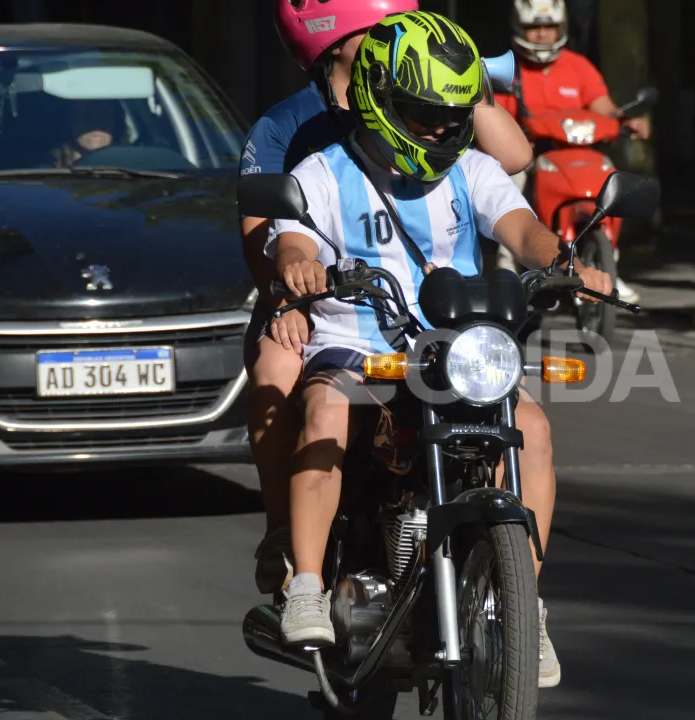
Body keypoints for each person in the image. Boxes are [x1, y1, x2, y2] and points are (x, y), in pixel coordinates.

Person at [265, 10, 611, 689]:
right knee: (325, 414)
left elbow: (523, 228)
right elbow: (292, 239)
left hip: (456, 351)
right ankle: (305, 583)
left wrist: (563, 262)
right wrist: (300, 264)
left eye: (450, 113)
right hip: (356, 348)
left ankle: (524, 607)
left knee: (532, 429)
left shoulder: (473, 170)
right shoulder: (321, 172)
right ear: (379, 98)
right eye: (422, 112)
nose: (437, 127)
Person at [241, 0, 534, 605]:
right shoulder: (289, 127)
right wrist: (290, 293)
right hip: (321, 303)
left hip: (435, 319)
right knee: (277, 369)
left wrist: (461, 81)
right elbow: (265, 229)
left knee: (523, 417)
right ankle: (286, 536)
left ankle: (515, 591)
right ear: (331, 36)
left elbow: (512, 160)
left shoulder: (437, 103)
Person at [495, 0, 649, 304]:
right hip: (532, 157)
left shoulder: (578, 66)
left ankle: (609, 268)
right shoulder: (508, 69)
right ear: (519, 28)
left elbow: (603, 107)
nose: (541, 34)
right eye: (533, 27)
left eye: (548, 26)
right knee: (509, 193)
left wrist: (626, 120)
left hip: (578, 154)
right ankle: (507, 274)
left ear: (561, 28)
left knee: (612, 186)